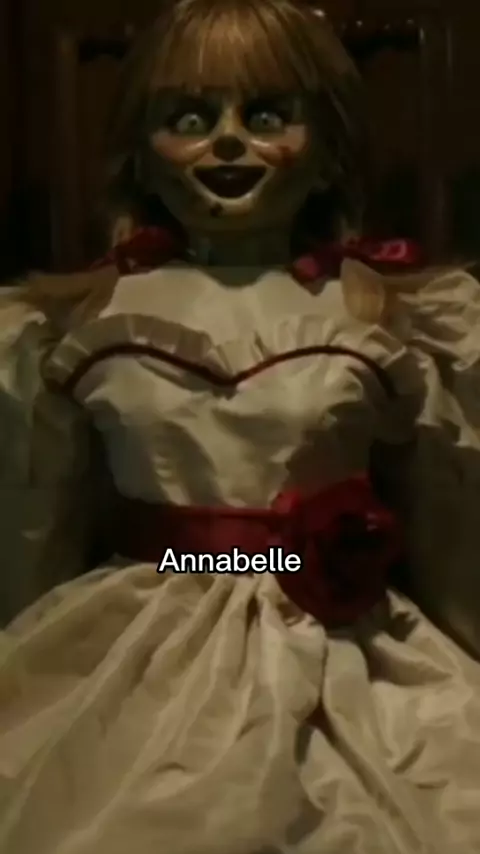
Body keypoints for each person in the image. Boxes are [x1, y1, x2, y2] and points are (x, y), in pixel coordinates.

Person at [1, 1, 480, 851]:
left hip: (339, 648)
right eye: (189, 119)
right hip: (138, 641)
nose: (227, 141)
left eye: (265, 116)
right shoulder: (80, 318)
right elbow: (40, 520)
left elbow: (446, 515)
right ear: (141, 153)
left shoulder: (392, 314)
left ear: (326, 148)